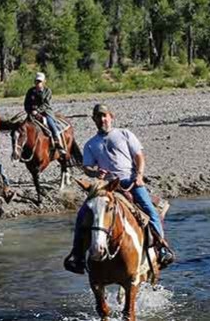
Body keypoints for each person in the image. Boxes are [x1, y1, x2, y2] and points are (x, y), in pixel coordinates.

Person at [64, 104, 175, 274]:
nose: (102, 120)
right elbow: (87, 167)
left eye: (105, 116)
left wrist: (139, 175)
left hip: (130, 180)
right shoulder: (91, 144)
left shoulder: (124, 134)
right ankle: (77, 255)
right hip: (107, 185)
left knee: (149, 210)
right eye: (98, 117)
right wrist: (95, 171)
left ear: (111, 117)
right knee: (83, 214)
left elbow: (139, 156)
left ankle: (162, 248)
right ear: (94, 120)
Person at [24, 72, 65, 158]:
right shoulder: (30, 91)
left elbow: (46, 104)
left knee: (52, 125)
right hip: (32, 114)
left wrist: (37, 111)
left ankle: (59, 144)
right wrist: (30, 110)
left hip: (46, 113)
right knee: (23, 128)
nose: (38, 83)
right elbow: (26, 103)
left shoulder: (47, 91)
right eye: (37, 81)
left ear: (44, 82)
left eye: (40, 81)